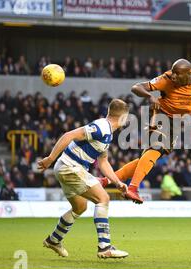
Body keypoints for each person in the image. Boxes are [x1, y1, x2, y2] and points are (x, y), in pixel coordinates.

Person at [99, 59, 191, 204]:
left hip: (176, 122)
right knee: (156, 148)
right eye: (173, 72)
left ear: (187, 74)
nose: (173, 76)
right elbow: (136, 87)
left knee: (147, 160)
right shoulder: (166, 79)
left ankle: (105, 181)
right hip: (161, 115)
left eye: (177, 74)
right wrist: (150, 97)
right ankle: (132, 188)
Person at [37, 99, 130, 259]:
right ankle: (104, 246)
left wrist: (117, 182)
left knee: (80, 207)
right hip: (70, 167)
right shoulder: (101, 127)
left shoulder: (108, 132)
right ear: (122, 117)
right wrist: (50, 158)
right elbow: (69, 135)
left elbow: (103, 161)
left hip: (67, 167)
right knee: (103, 198)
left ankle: (54, 240)